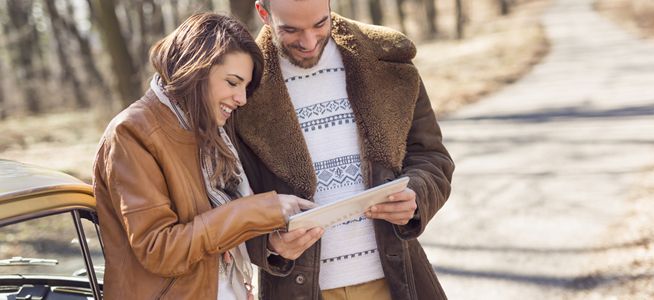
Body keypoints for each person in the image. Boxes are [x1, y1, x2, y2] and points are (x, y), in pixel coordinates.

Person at [229, 0, 455, 299]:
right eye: (291, 30)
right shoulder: (240, 86)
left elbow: (431, 156)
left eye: (320, 24)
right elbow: (226, 194)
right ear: (263, 13)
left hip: (394, 281)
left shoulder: (388, 59)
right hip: (297, 289)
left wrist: (416, 195)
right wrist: (267, 245)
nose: (308, 42)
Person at [93, 13, 313, 299]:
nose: (242, 99)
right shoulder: (132, 133)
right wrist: (258, 211)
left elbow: (218, 233)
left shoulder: (211, 133)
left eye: (245, 87)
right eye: (233, 82)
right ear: (196, 69)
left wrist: (273, 244)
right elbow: (160, 250)